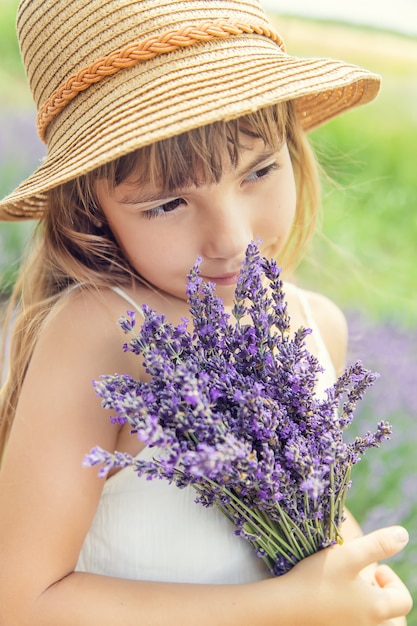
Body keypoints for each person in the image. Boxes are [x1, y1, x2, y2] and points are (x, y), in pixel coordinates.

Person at [0, 0, 412, 624]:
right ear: (93, 208)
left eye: (260, 170)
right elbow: (22, 600)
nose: (235, 239)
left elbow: (300, 503)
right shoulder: (101, 333)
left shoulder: (313, 325)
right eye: (167, 204)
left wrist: (358, 575)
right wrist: (287, 607)